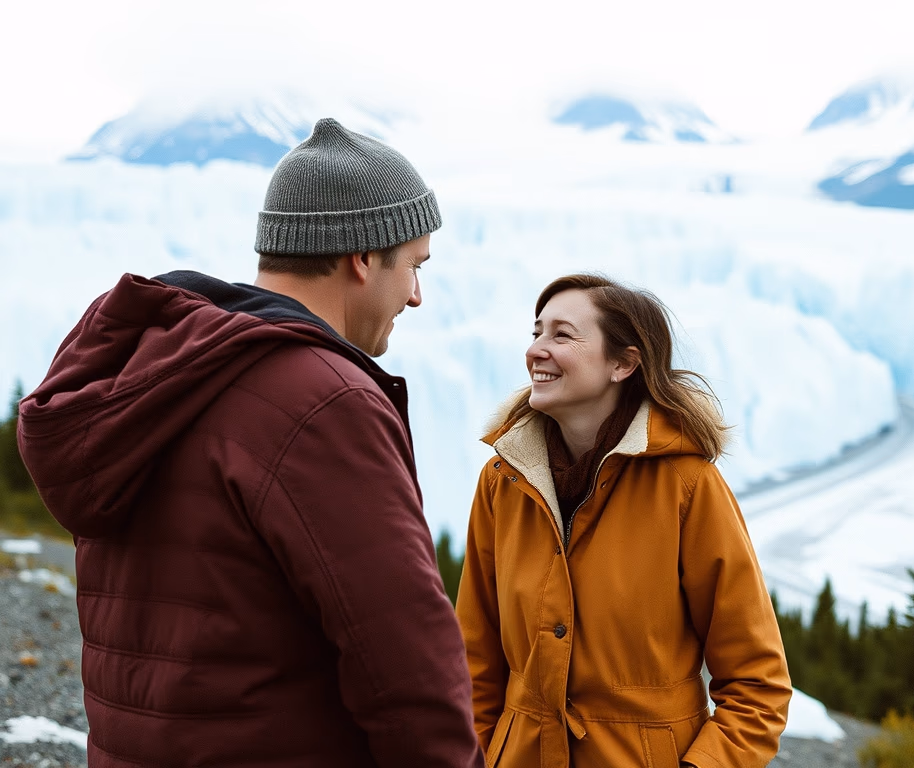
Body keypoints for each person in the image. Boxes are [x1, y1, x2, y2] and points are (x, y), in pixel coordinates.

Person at [17, 119, 484, 768]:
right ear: (364, 257)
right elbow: (407, 667)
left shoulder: (159, 374)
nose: (416, 295)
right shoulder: (322, 400)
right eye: (412, 265)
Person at [456, 274, 792, 768]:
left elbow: (758, 686)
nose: (536, 351)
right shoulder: (502, 481)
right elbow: (474, 665)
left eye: (561, 334)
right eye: (536, 333)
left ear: (623, 363)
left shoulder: (686, 485)